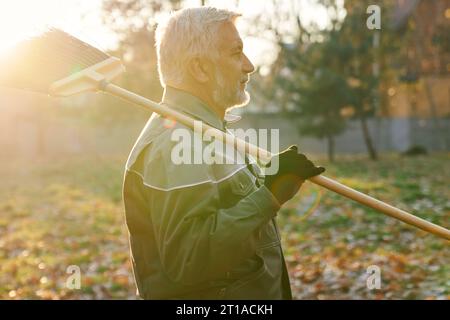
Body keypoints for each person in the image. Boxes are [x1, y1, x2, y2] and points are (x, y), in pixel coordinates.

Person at [122, 6, 325, 300]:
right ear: (200, 68)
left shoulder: (208, 130)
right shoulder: (176, 142)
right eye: (235, 52)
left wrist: (271, 176)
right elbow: (190, 259)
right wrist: (269, 193)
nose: (249, 65)